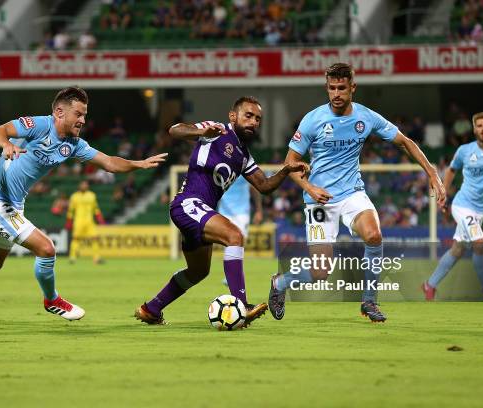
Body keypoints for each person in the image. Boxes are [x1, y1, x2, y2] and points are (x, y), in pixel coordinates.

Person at [0, 86, 167, 325]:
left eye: (84, 114)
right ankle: (52, 300)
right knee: (47, 249)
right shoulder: (39, 125)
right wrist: (6, 145)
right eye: (79, 114)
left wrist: (138, 163)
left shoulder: (73, 144)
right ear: (60, 113)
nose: (83, 120)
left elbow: (110, 163)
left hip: (14, 205)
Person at [268, 63, 446, 322]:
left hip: (352, 192)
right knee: (320, 272)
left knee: (374, 235)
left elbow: (405, 142)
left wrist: (431, 172)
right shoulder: (312, 120)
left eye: (342, 88)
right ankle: (280, 283)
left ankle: (369, 302)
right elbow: (289, 164)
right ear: (326, 88)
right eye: (332, 88)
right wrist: (309, 187)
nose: (336, 94)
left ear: (353, 88)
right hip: (319, 201)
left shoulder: (366, 117)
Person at [134, 96, 309, 326]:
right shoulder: (215, 130)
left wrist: (285, 170)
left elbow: (264, 186)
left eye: (258, 119)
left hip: (199, 210)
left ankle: (151, 309)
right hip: (188, 203)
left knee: (198, 272)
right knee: (234, 236)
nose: (254, 122)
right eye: (248, 115)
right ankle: (241, 305)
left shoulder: (244, 155)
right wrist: (200, 133)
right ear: (232, 116)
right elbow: (175, 131)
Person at [423, 112, 483, 301]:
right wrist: (443, 194)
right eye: (479, 125)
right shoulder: (465, 150)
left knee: (458, 249)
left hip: (480, 210)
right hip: (462, 205)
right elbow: (451, 170)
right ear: (474, 129)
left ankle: (429, 285)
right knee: (479, 244)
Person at [218, 176, 263, 286]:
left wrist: (258, 210)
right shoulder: (221, 169)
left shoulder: (244, 169)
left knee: (238, 243)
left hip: (242, 212)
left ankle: (233, 275)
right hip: (224, 211)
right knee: (228, 244)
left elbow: (254, 188)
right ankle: (231, 275)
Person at [66, 180, 105, 264]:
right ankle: (72, 257)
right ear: (79, 186)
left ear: (88, 186)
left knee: (95, 239)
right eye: (82, 184)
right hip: (78, 221)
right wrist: (69, 222)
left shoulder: (92, 195)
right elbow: (70, 210)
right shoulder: (74, 196)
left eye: (85, 185)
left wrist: (100, 219)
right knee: (76, 239)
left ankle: (96, 258)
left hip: (90, 221)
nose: (84, 186)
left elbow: (96, 209)